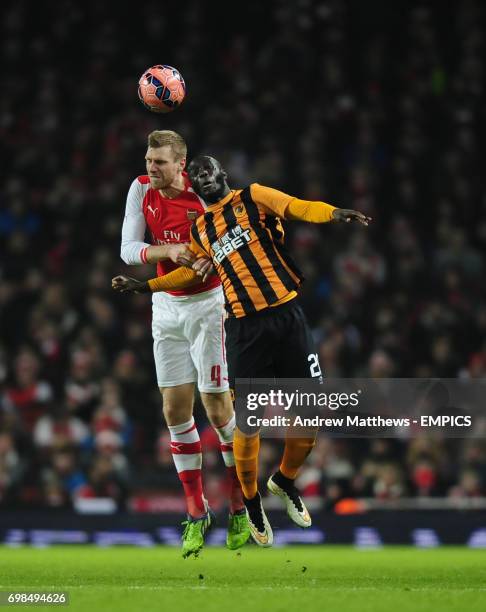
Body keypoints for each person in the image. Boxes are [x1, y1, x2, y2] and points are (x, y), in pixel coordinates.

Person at [113, 155, 371, 547]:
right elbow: (189, 273)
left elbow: (296, 206)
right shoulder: (202, 228)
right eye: (196, 176)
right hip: (244, 328)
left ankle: (283, 481)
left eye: (207, 171)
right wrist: (145, 286)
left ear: (222, 175)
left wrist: (333, 213)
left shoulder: (255, 197)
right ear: (196, 188)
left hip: (287, 316)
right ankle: (250, 503)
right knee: (248, 422)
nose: (202, 177)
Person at [113, 135, 249, 558]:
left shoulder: (204, 193)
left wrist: (217, 254)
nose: (151, 168)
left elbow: (239, 235)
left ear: (182, 163)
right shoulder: (140, 189)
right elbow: (128, 249)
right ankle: (196, 511)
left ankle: (241, 503)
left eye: (159, 162)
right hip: (165, 307)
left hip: (208, 307)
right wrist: (170, 248)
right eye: (148, 160)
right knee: (174, 411)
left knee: (218, 410)